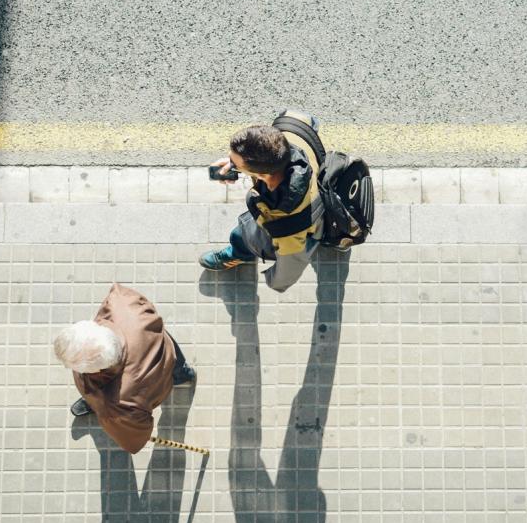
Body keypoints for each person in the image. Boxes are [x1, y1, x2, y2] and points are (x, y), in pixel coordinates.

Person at [53, 282, 196, 454]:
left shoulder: (116, 406)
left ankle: (93, 403)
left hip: (148, 389)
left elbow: (135, 440)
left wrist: (102, 407)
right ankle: (183, 373)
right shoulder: (119, 302)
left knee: (100, 400)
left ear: (96, 371)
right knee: (176, 365)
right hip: (162, 346)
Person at [198, 111, 324, 293]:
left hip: (299, 226)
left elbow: (289, 269)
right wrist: (238, 166)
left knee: (243, 234)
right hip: (315, 195)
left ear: (263, 175)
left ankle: (239, 253)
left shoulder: (287, 227)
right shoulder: (291, 126)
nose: (230, 163)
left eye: (235, 163)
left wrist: (273, 281)